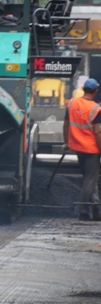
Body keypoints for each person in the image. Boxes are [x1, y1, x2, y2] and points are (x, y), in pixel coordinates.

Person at [63, 77, 101, 221]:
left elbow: (66, 125)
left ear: (84, 89)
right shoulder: (95, 109)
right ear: (96, 91)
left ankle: (96, 209)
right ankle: (84, 210)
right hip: (92, 149)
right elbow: (97, 132)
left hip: (78, 147)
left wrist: (66, 143)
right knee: (90, 180)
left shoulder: (72, 103)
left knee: (89, 179)